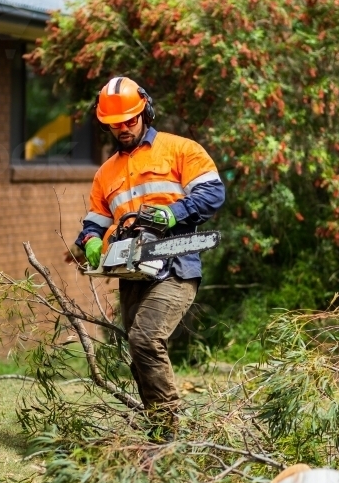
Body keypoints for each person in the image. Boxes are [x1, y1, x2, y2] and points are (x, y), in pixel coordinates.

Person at [73, 76, 225, 439]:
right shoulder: (106, 173)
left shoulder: (179, 150)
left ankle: (170, 431)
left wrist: (173, 213)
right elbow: (94, 221)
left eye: (129, 120)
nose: (123, 129)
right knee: (137, 351)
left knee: (145, 339)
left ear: (145, 111)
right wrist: (92, 242)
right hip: (131, 270)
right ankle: (157, 429)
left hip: (175, 263)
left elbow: (213, 193)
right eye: (115, 124)